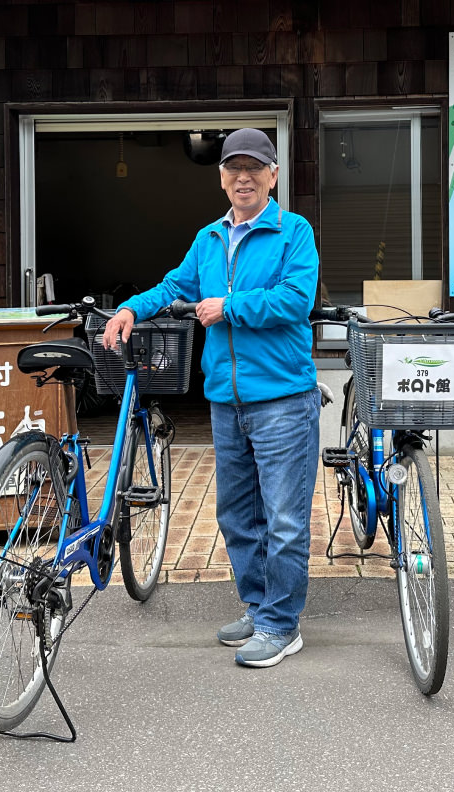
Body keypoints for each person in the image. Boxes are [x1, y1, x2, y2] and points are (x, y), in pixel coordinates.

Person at [103, 128, 320, 669]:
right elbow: (173, 286)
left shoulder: (294, 231)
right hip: (226, 400)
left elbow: (297, 300)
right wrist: (131, 308)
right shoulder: (208, 239)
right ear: (222, 177)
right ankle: (258, 606)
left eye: (254, 168)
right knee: (236, 515)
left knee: (285, 519)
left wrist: (230, 306)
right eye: (232, 168)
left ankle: (281, 624)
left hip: (283, 399)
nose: (242, 177)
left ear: (273, 175)